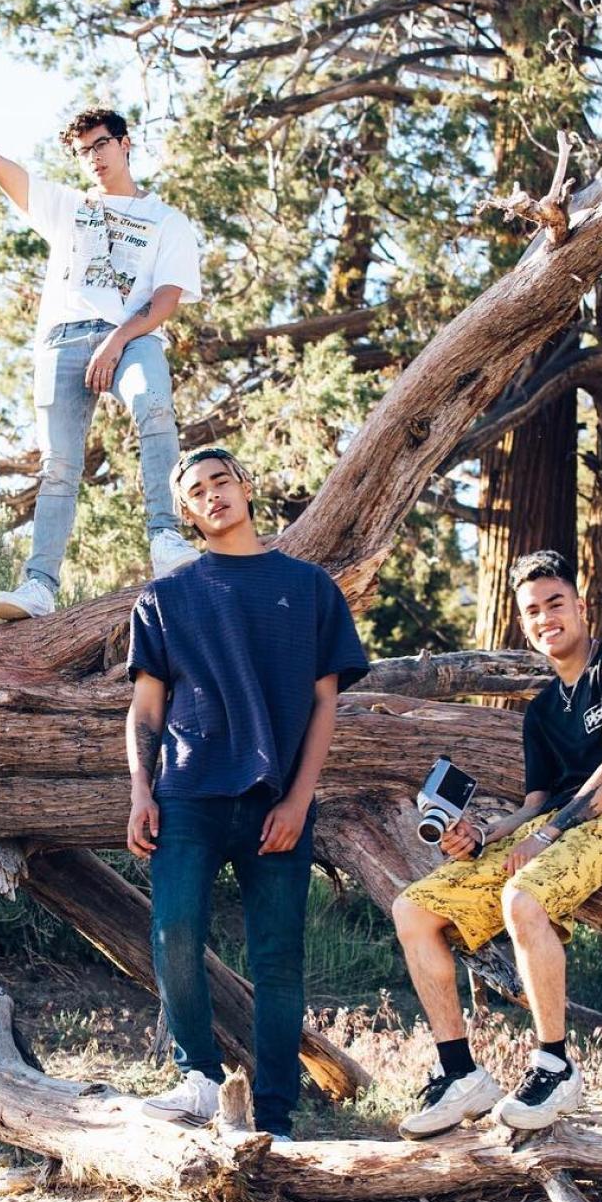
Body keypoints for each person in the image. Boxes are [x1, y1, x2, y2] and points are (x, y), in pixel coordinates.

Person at [392, 550, 602, 1139]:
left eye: (555, 603)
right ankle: (460, 1073)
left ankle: (555, 1065)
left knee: (522, 898)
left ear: (581, 606)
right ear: (523, 625)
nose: (546, 618)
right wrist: (481, 834)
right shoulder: (543, 710)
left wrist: (549, 833)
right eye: (533, 611)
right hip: (551, 827)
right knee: (412, 910)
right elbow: (534, 804)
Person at [125, 447, 368, 1140]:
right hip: (187, 795)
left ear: (246, 487)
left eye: (221, 481)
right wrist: (141, 790)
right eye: (196, 491)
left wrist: (298, 800)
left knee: (278, 959)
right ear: (187, 513)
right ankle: (200, 1080)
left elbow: (325, 704)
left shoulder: (310, 588)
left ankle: (276, 1118)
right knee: (173, 931)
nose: (212, 495)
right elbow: (146, 709)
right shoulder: (165, 599)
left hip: (276, 805)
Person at [0, 88, 203, 620]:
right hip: (62, 341)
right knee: (58, 464)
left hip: (132, 336)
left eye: (101, 145)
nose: (93, 158)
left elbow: (167, 299)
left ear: (125, 144)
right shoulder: (67, 207)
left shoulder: (166, 219)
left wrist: (116, 340)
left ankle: (166, 538)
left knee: (153, 405)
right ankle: (38, 586)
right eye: (83, 152)